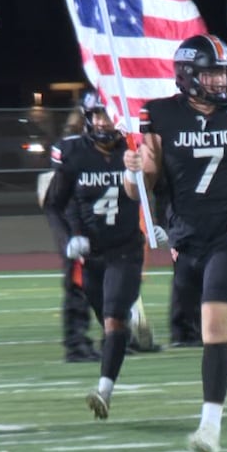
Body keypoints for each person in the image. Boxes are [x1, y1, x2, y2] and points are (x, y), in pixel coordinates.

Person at [129, 34, 227, 452]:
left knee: (214, 324)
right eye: (211, 74)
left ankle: (209, 426)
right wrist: (134, 173)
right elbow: (140, 189)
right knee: (205, 327)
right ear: (187, 76)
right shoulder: (161, 116)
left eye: (223, 74)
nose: (220, 82)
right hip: (187, 235)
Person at [44, 92, 148, 420]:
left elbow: (164, 186)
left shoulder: (136, 148)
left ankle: (104, 389)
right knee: (108, 320)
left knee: (114, 318)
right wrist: (68, 239)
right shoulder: (73, 152)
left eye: (110, 114)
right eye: (98, 114)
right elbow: (53, 203)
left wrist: (163, 223)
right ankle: (125, 322)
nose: (104, 121)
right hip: (92, 253)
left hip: (126, 248)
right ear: (88, 118)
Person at [41, 107, 102, 363]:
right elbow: (54, 197)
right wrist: (70, 235)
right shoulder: (70, 148)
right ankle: (76, 343)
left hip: (99, 223)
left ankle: (116, 338)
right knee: (78, 284)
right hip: (74, 222)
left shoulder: (108, 146)